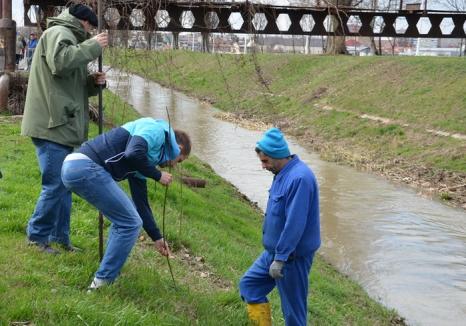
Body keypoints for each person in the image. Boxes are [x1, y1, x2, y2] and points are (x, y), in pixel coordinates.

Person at [61, 117, 191, 289]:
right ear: (179, 148)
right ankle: (102, 283)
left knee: (126, 219)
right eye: (179, 160)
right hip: (85, 166)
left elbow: (141, 203)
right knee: (130, 223)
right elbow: (133, 152)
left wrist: (157, 237)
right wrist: (158, 175)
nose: (174, 166)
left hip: (76, 167)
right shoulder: (156, 131)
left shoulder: (147, 159)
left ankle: (107, 275)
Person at [21, 4, 108, 254]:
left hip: (59, 124)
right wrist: (93, 47)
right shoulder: (60, 33)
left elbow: (71, 83)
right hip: (52, 125)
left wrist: (93, 83)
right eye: (91, 27)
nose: (91, 33)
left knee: (64, 184)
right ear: (83, 22)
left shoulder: (67, 37)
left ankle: (60, 237)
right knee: (55, 185)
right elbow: (61, 63)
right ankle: (37, 237)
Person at [239, 128, 321, 326]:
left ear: (277, 155)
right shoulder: (282, 173)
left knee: (293, 313)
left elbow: (295, 223)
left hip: (291, 258)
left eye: (265, 161)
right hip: (273, 253)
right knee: (249, 285)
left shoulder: (299, 178)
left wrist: (281, 258)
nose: (263, 166)